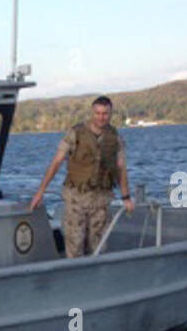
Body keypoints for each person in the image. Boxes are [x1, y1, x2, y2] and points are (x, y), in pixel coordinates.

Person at [28, 96, 135, 257]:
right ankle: (73, 277)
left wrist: (126, 197)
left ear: (111, 114)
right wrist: (40, 192)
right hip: (76, 197)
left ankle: (95, 278)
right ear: (92, 113)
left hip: (101, 199)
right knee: (75, 244)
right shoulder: (76, 133)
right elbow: (57, 162)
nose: (101, 117)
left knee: (97, 248)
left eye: (105, 113)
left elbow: (121, 168)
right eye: (98, 113)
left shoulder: (115, 137)